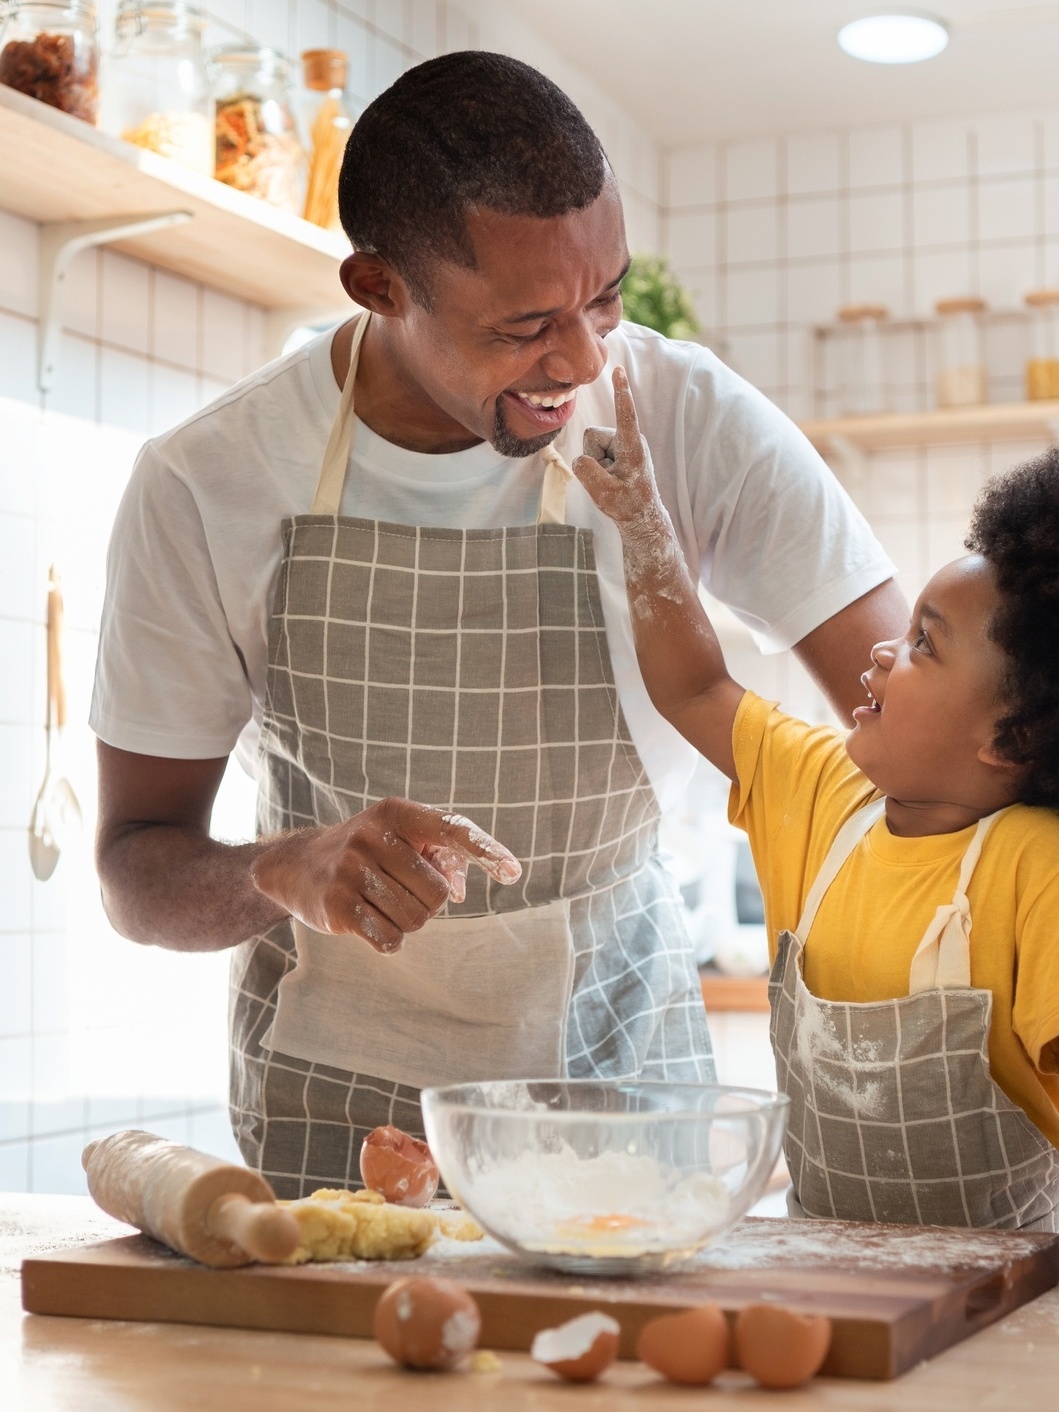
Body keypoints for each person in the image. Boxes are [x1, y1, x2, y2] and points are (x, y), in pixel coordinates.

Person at [90, 51, 906, 1198]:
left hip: (632, 1094)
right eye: (526, 326)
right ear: (378, 286)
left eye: (607, 299)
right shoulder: (207, 480)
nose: (580, 361)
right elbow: (136, 873)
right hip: (338, 1126)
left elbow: (930, 718)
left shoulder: (691, 417)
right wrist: (283, 866)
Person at [572, 366, 1059, 1230]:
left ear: (1011, 739)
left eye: (921, 646)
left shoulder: (1034, 870)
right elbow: (692, 690)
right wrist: (644, 526)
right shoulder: (821, 793)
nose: (878, 656)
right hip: (826, 1270)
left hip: (998, 1303)